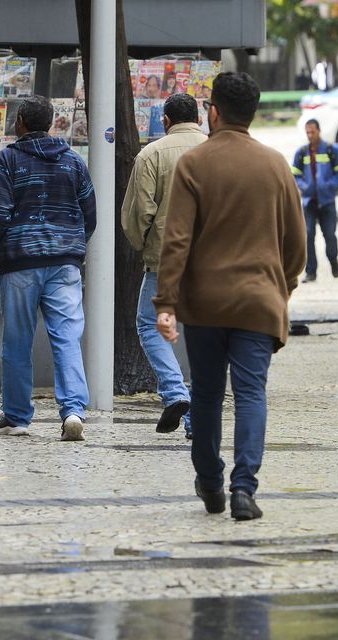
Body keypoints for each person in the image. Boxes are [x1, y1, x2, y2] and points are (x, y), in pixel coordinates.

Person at [154, 72, 306, 521]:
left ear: (213, 112)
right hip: (259, 301)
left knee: (204, 395)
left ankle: (210, 482)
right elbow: (296, 243)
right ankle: (244, 489)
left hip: (205, 304)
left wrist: (166, 303)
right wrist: (285, 287)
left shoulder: (195, 164)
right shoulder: (276, 165)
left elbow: (176, 239)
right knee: (251, 393)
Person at [0, 94, 96, 441]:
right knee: (67, 337)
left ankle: (17, 416)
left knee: (18, 339)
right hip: (65, 264)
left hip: (20, 263)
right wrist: (72, 247)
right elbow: (89, 214)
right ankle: (73, 410)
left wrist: (4, 244)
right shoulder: (73, 163)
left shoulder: (6, 161)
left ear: (20, 123)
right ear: (51, 124)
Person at [121, 94, 206, 438]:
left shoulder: (151, 154)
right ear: (198, 118)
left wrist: (145, 247)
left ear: (166, 120)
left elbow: (137, 214)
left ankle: (175, 393)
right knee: (205, 338)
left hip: (166, 261)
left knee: (149, 325)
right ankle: (196, 419)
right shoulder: (216, 152)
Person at [292, 119, 338, 282]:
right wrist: (303, 185)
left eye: (312, 132)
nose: (310, 135)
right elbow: (295, 173)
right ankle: (311, 271)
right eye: (307, 132)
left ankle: (333, 260)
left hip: (327, 201)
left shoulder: (332, 150)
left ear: (319, 131)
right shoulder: (302, 152)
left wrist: (330, 186)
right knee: (308, 235)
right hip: (309, 202)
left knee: (330, 235)